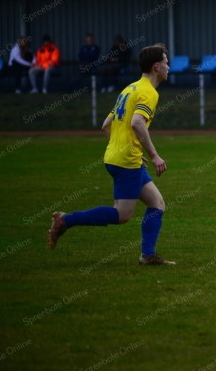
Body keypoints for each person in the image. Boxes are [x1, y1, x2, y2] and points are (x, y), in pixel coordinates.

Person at [48, 43, 175, 266]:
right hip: (126, 161)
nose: (168, 67)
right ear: (156, 66)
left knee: (157, 203)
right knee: (122, 215)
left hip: (117, 157)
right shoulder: (149, 92)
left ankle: (148, 255)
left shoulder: (130, 89)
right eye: (166, 62)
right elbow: (137, 123)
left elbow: (107, 124)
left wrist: (127, 146)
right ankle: (65, 220)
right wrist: (154, 155)